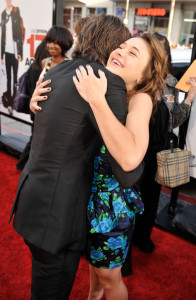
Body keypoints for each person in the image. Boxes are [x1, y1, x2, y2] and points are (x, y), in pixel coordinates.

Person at [10, 14, 139, 300]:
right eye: (124, 47)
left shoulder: (58, 70)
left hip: (32, 198)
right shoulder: (106, 82)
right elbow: (127, 169)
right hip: (57, 216)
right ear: (114, 46)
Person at [30, 33, 168, 300]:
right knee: (93, 271)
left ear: (144, 76)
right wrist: (36, 99)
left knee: (108, 276)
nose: (121, 52)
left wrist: (97, 100)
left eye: (133, 54)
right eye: (122, 47)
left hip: (110, 205)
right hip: (81, 196)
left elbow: (129, 159)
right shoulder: (99, 83)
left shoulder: (140, 99)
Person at [15, 26, 73, 171]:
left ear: (64, 45)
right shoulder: (45, 62)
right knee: (36, 143)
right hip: (39, 112)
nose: (51, 46)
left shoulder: (68, 66)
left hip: (55, 117)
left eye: (56, 42)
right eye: (49, 41)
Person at [15, 39, 49, 171]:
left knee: (35, 137)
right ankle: (22, 164)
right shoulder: (44, 69)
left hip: (33, 108)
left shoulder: (33, 67)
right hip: (40, 108)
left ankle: (23, 164)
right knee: (35, 139)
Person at [1, 0, 23, 114]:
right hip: (7, 51)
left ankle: (14, 101)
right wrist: (1, 55)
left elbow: (19, 32)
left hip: (15, 50)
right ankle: (9, 103)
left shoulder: (16, 10)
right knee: (9, 78)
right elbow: (2, 35)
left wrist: (20, 52)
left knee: (15, 78)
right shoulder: (3, 13)